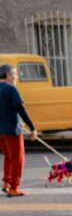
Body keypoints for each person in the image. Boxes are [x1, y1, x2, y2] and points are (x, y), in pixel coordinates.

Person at [0, 64, 37, 197]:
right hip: (12, 130)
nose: (16, 77)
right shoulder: (11, 89)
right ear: (8, 75)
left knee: (8, 157)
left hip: (1, 132)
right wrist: (32, 127)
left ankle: (7, 183)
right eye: (15, 74)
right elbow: (21, 108)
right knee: (17, 159)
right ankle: (14, 188)